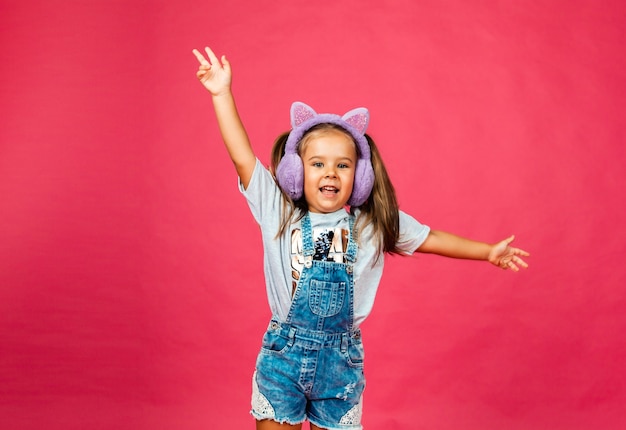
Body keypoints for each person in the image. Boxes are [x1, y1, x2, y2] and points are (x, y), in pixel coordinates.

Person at [192, 46, 529, 430]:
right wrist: (222, 94)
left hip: (341, 364)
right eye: (317, 164)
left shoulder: (371, 226)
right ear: (294, 171)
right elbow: (241, 157)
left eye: (343, 165)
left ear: (360, 176)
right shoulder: (278, 212)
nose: (330, 173)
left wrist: (488, 252)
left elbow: (430, 238)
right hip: (283, 357)